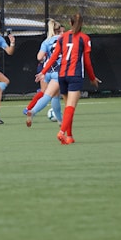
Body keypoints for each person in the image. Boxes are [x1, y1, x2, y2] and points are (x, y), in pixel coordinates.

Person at [35, 13, 100, 144]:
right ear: (82, 24)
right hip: (75, 76)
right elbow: (87, 62)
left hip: (62, 75)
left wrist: (43, 71)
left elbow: (53, 57)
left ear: (70, 23)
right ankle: (61, 132)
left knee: (67, 107)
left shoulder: (62, 37)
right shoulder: (84, 38)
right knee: (71, 106)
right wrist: (92, 78)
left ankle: (69, 136)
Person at [24, 19, 65, 127]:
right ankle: (33, 111)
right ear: (59, 30)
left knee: (56, 96)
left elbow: (39, 57)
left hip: (47, 71)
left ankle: (60, 121)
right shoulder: (63, 39)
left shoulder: (46, 42)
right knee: (49, 95)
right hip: (57, 71)